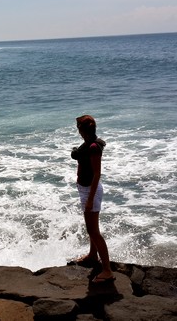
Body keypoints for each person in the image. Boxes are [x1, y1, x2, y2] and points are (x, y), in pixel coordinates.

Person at [70, 114, 114, 283]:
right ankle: (92, 256)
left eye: (78, 128)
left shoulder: (94, 147)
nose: (77, 131)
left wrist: (90, 199)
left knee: (94, 231)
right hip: (86, 190)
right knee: (91, 228)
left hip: (91, 191)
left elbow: (97, 174)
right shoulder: (89, 144)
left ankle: (107, 270)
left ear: (82, 130)